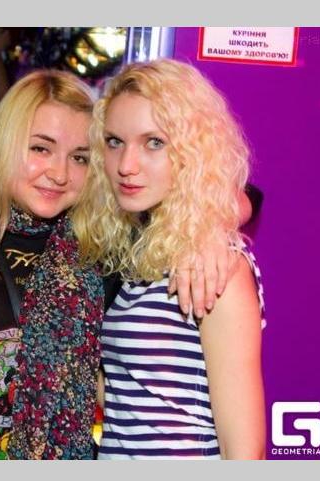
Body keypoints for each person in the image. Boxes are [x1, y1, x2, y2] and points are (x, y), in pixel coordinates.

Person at [0, 69, 231, 460]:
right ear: (5, 144)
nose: (58, 173)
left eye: (79, 157)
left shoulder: (104, 249)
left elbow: (228, 192)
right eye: (40, 149)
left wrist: (206, 234)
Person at [74, 59, 266, 459]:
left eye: (154, 143)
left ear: (192, 151)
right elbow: (134, 399)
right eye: (114, 142)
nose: (126, 165)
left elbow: (245, 452)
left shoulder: (217, 266)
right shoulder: (130, 255)